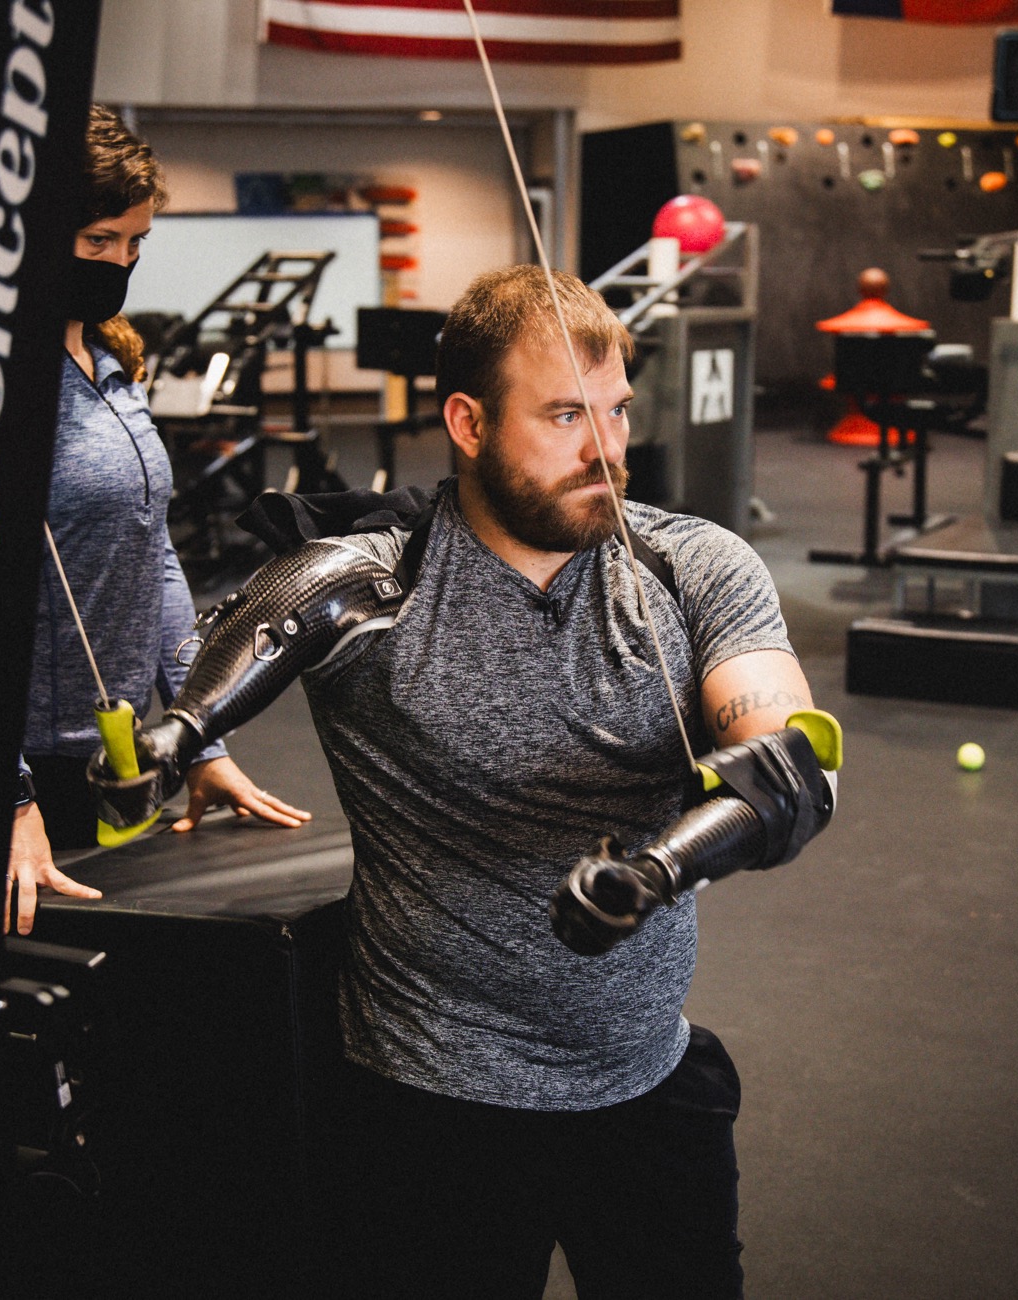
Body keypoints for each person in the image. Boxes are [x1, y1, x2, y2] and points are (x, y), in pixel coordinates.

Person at [89, 264, 837, 1297]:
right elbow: (258, 627)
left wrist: (657, 868)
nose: (605, 449)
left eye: (615, 412)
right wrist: (175, 742)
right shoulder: (371, 576)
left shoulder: (692, 565)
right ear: (467, 422)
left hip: (645, 1084)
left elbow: (787, 762)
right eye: (565, 415)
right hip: (426, 1102)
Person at [4, 105, 309, 936]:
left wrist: (200, 736)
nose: (122, 261)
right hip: (25, 773)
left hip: (126, 745)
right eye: (101, 239)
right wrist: (8, 798)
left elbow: (153, 557)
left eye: (136, 243)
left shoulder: (110, 363)